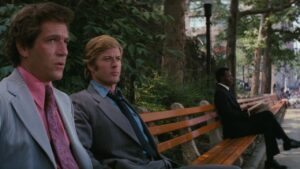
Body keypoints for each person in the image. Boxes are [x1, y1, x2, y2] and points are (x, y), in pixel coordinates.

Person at [71, 35, 240, 169]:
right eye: (107, 59)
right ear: (92, 66)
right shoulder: (81, 102)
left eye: (118, 59)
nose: (115, 65)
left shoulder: (120, 99)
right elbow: (82, 157)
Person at [0, 2, 92, 169]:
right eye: (52, 40)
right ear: (23, 47)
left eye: (65, 41)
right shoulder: (3, 100)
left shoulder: (63, 100)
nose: (64, 51)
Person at [214, 67, 300, 169]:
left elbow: (233, 112)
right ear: (222, 78)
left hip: (239, 124)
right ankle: (285, 143)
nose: (232, 78)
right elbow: (228, 115)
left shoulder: (225, 91)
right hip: (234, 129)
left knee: (267, 119)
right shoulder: (220, 93)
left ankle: (272, 159)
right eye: (229, 76)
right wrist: (248, 113)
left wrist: (250, 110)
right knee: (267, 119)